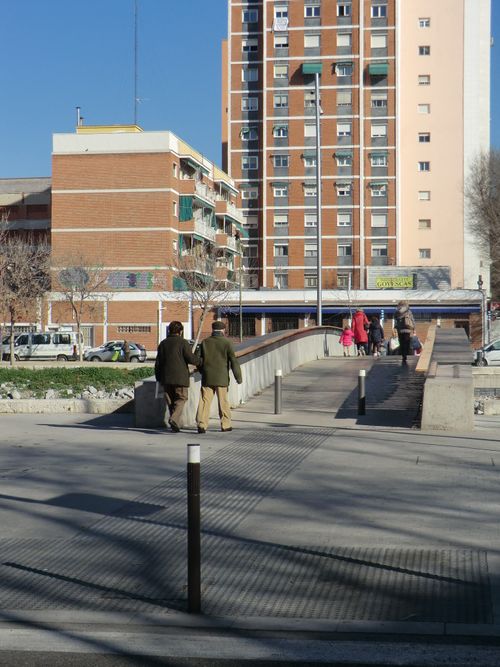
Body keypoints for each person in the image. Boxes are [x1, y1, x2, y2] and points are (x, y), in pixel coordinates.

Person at [154, 321, 201, 433]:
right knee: (181, 398)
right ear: (181, 331)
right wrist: (200, 362)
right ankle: (174, 419)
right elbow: (191, 359)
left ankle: (175, 424)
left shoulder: (163, 343)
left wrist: (158, 378)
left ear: (169, 330)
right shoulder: (183, 343)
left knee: (171, 401)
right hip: (180, 377)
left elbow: (158, 363)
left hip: (165, 377)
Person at [196, 320, 242, 434]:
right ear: (223, 330)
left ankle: (202, 424)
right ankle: (225, 425)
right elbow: (233, 361)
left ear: (213, 329)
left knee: (205, 401)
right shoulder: (227, 343)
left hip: (207, 377)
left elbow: (198, 360)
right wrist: (238, 377)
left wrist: (203, 371)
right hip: (222, 377)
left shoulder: (205, 342)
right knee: (223, 402)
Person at [394, 300, 416, 365]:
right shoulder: (408, 311)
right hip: (407, 329)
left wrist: (396, 326)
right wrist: (414, 327)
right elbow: (412, 319)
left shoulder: (397, 311)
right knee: (407, 342)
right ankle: (406, 354)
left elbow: (395, 319)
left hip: (400, 329)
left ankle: (403, 355)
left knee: (401, 342)